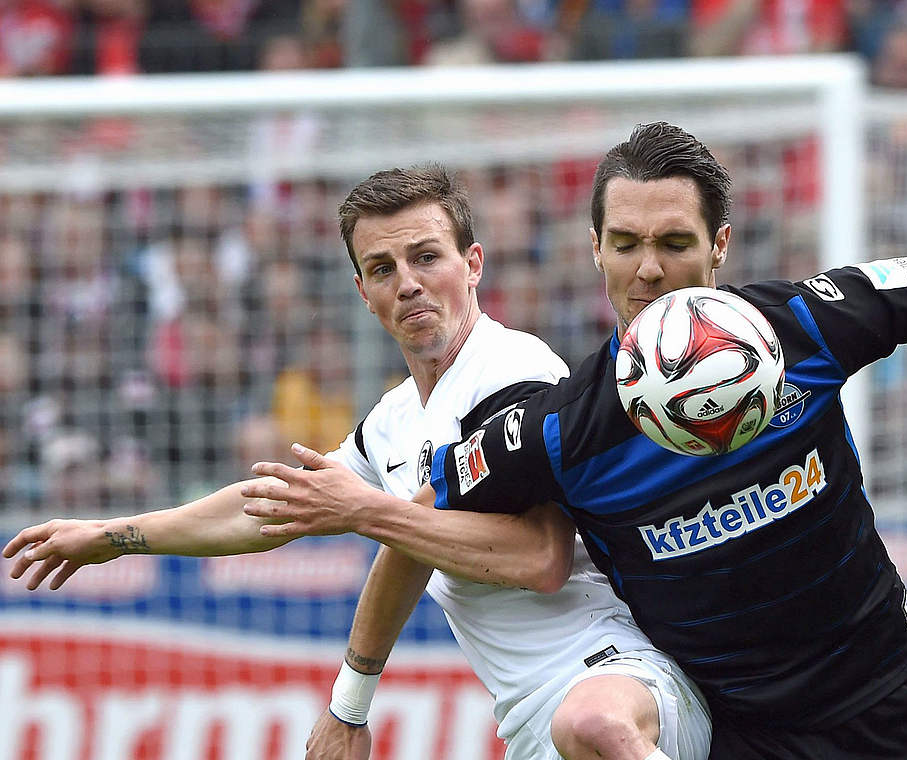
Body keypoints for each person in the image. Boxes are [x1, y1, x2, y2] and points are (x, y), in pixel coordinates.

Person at [232, 122, 907, 758]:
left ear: (719, 246)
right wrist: (350, 697)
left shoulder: (806, 324)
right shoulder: (561, 426)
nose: (646, 270)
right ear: (594, 250)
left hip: (893, 703)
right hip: (738, 732)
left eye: (670, 242)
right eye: (623, 244)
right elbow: (418, 520)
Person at [5, 165, 710, 760]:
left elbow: (540, 559)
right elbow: (269, 510)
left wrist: (368, 516)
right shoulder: (396, 421)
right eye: (382, 268)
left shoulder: (511, 375)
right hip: (532, 723)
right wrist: (112, 536)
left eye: (426, 257)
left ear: (473, 265)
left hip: (617, 680)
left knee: (594, 725)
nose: (407, 282)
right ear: (363, 293)